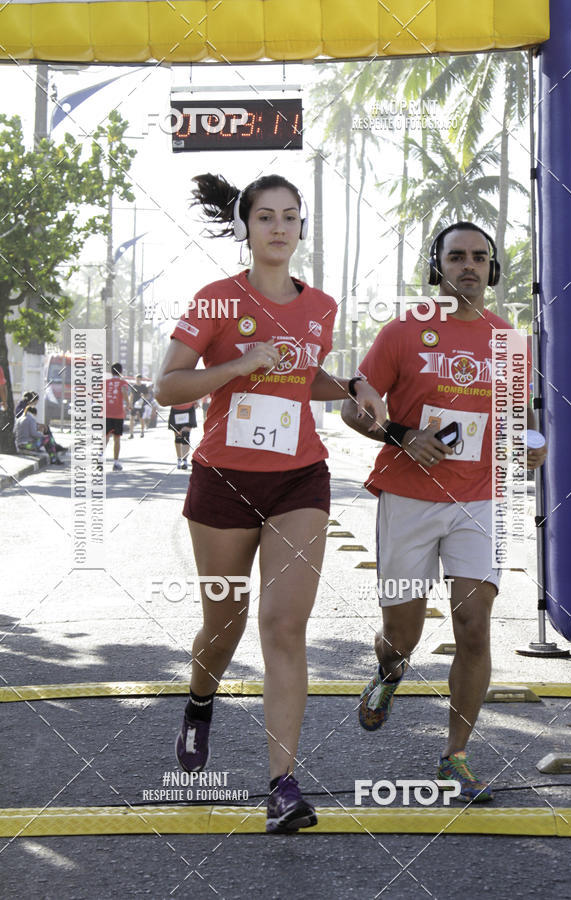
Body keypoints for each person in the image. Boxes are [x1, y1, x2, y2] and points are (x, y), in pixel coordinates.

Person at [155, 173, 386, 834]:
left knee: (284, 625)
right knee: (223, 625)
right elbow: (167, 387)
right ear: (246, 228)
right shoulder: (215, 302)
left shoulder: (321, 306)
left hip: (299, 479)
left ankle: (282, 785)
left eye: (290, 216)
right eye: (266, 217)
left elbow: (304, 375)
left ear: (300, 226)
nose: (279, 227)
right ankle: (201, 701)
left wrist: (351, 385)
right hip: (223, 479)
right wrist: (236, 365)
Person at [341, 222, 547, 803]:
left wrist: (529, 448)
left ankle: (454, 756)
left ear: (492, 268)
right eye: (456, 257)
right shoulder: (403, 332)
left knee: (474, 625)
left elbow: (515, 426)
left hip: (478, 501)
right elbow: (355, 409)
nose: (469, 267)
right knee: (402, 632)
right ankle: (388, 670)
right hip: (408, 500)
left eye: (480, 257)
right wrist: (403, 433)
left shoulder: (510, 341)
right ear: (438, 267)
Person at [105, 363, 130, 472]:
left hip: (106, 413)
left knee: (105, 436)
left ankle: (100, 457)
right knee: (117, 438)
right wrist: (128, 403)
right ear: (121, 372)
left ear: (111, 372)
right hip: (118, 413)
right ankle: (115, 462)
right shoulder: (123, 383)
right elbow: (124, 391)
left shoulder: (106, 383)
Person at [168, 400, 198, 469]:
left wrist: (196, 400)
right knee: (178, 437)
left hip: (189, 408)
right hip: (175, 408)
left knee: (185, 435)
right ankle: (179, 458)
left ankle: (184, 460)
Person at [129, 374, 148, 438]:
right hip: (134, 405)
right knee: (132, 418)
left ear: (140, 379)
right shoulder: (133, 386)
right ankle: (131, 433)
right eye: (136, 379)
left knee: (141, 418)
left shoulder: (143, 387)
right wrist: (130, 404)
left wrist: (144, 396)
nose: (137, 380)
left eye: (138, 379)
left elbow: (147, 396)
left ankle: (142, 432)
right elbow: (131, 396)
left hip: (141, 405)